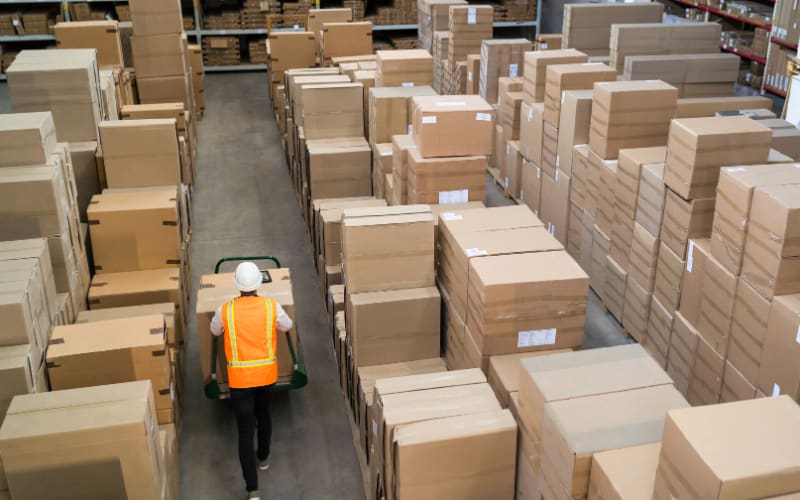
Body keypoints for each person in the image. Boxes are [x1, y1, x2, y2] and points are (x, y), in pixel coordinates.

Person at [210, 262, 293, 500]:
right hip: (266, 377)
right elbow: (288, 326)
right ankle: (264, 457)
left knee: (245, 431)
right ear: (259, 283)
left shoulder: (225, 310)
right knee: (264, 415)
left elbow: (214, 330)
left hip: (240, 381)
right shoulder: (271, 307)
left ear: (237, 286)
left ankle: (252, 490)